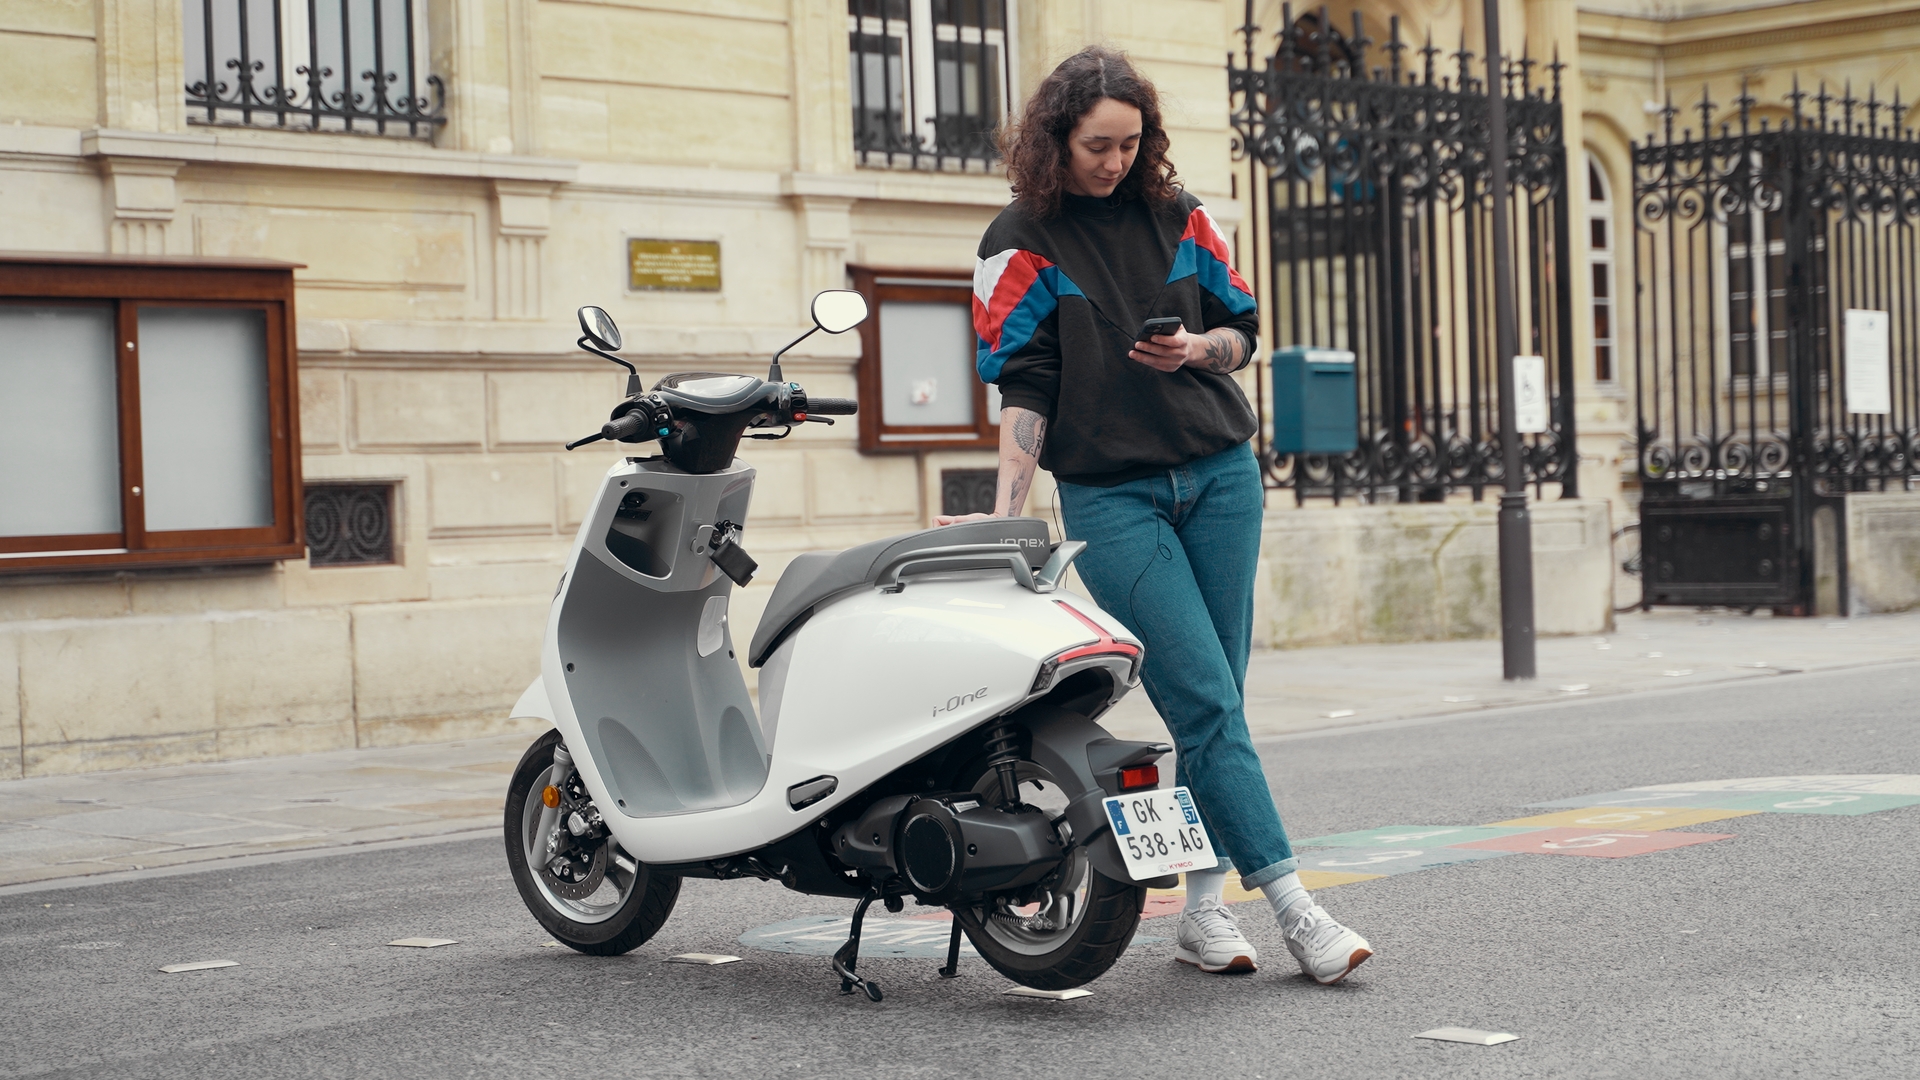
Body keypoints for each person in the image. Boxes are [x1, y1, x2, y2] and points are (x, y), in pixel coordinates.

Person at [938, 45, 1372, 984]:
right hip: (1114, 496)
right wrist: (1009, 520)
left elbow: (1243, 332)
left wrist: (1200, 351)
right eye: (1099, 144)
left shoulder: (1185, 217)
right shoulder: (1018, 240)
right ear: (1057, 138)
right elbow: (1025, 387)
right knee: (1206, 699)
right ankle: (1295, 906)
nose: (1116, 162)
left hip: (1221, 476)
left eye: (1132, 144)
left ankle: (1204, 911)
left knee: (1220, 701)